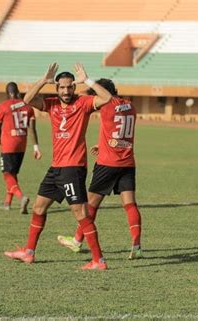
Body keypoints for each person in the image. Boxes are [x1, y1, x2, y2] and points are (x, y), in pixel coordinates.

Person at [4, 62, 113, 270]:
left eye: (70, 86)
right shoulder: (51, 103)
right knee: (38, 207)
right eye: (62, 87)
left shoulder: (84, 103)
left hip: (73, 168)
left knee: (81, 213)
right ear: (57, 88)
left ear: (74, 86)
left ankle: (99, 260)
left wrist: (88, 80)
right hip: (56, 168)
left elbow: (107, 98)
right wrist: (44, 80)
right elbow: (26, 100)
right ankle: (29, 252)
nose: (66, 90)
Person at [57, 79, 143, 259]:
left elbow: (92, 104)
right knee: (130, 204)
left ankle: (77, 241)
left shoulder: (107, 106)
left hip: (107, 164)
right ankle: (136, 245)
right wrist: (103, 145)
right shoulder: (131, 106)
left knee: (90, 205)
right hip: (127, 162)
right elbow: (118, 132)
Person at [0, 82, 41, 214]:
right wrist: (36, 147)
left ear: (7, 93)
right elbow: (32, 128)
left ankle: (21, 197)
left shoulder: (4, 106)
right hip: (22, 144)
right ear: (17, 92)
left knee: (7, 174)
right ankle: (7, 203)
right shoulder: (28, 106)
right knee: (13, 173)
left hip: (8, 144)